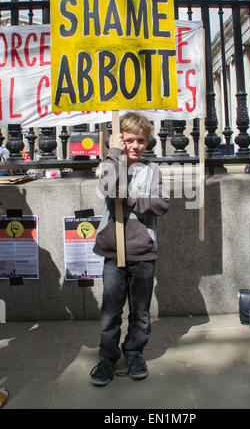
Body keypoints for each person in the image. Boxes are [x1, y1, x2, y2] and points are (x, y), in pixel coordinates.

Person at [90, 111, 169, 386]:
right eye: (129, 140)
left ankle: (134, 352)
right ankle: (106, 358)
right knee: (111, 311)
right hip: (114, 253)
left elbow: (161, 204)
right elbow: (110, 189)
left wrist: (132, 199)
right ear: (118, 140)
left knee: (141, 311)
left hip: (143, 253)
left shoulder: (152, 170)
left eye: (141, 141)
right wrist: (113, 152)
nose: (135, 146)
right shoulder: (111, 163)